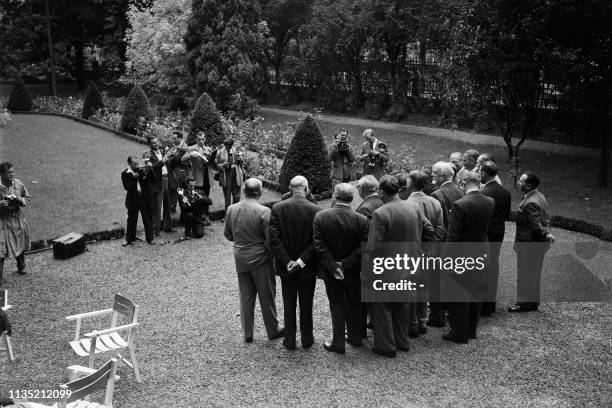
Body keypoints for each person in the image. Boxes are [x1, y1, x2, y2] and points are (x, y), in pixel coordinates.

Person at [367, 175, 434, 357]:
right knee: (402, 306)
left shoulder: (380, 213)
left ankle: (386, 346)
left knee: (382, 307)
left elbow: (374, 248)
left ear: (381, 192)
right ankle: (402, 342)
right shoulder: (414, 207)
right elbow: (429, 230)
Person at [224, 178, 284, 342]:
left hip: (240, 257)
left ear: (244, 190)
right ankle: (273, 329)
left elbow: (228, 235)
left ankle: (247, 333)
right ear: (260, 192)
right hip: (260, 259)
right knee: (267, 295)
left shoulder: (231, 208)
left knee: (246, 296)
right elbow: (269, 240)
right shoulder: (264, 211)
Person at [313, 183, 369, 354]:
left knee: (336, 305)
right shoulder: (362, 220)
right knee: (355, 303)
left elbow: (319, 246)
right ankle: (355, 338)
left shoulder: (321, 217)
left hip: (331, 272)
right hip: (353, 271)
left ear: (335, 196)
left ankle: (338, 343)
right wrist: (344, 264)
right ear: (352, 198)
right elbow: (363, 248)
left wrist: (334, 266)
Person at [269, 176, 321, 350]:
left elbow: (274, 240)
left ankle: (289, 340)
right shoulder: (315, 210)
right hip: (307, 266)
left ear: (290, 189)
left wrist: (288, 261)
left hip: (286, 268)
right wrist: (301, 261)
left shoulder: (277, 208)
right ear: (306, 189)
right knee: (306, 303)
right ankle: (307, 339)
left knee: (288, 303)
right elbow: (317, 242)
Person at [443, 171, 494, 344]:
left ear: (463, 183)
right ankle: (471, 330)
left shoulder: (460, 205)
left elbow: (453, 235)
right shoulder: (489, 201)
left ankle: (459, 333)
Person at [405, 170, 444, 338]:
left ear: (411, 183)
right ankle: (422, 320)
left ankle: (412, 322)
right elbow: (439, 230)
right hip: (430, 252)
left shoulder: (406, 203)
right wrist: (431, 251)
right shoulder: (435, 202)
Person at [509, 172, 554, 313]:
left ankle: (522, 304)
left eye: (521, 181)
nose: (518, 183)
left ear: (528, 186)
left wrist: (546, 234)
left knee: (525, 274)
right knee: (533, 273)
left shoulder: (531, 202)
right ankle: (533, 302)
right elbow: (545, 219)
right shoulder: (539, 196)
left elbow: (535, 225)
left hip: (529, 245)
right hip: (536, 245)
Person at [429, 161, 463, 327]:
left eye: (434, 173)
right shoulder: (460, 190)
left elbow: (438, 223)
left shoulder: (437, 195)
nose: (432, 175)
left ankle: (437, 317)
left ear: (443, 176)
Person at [479, 161, 511, 316]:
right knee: (493, 267)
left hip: (485, 235)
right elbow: (506, 215)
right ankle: (489, 304)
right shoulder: (505, 192)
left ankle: (481, 304)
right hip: (498, 233)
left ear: (484, 173)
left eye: (480, 173)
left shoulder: (483, 193)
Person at [355, 175, 383, 337]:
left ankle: (362, 328)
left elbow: (364, 236)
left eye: (358, 187)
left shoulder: (366, 208)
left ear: (364, 189)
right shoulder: (381, 200)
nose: (357, 190)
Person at [0, 162, 30, 281]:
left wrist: (20, 200)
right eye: (9, 173)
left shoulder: (19, 184)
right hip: (1, 220)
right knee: (0, 249)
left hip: (15, 219)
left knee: (19, 243)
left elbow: (27, 199)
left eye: (13, 172)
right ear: (2, 174)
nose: (12, 174)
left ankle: (21, 267)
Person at [121, 156, 155, 246]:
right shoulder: (125, 173)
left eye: (137, 163)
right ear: (129, 163)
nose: (136, 165)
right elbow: (127, 187)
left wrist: (150, 168)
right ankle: (129, 239)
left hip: (144, 198)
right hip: (133, 199)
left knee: (147, 219)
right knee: (131, 219)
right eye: (134, 164)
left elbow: (152, 178)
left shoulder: (142, 170)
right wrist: (134, 178)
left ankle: (150, 238)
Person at [182, 131, 214, 225]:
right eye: (199, 139)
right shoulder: (191, 148)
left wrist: (210, 157)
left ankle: (206, 217)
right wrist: (190, 155)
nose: (201, 141)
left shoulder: (208, 149)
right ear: (196, 139)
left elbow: (213, 163)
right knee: (197, 198)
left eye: (203, 139)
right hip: (197, 178)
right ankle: (198, 219)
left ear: (205, 139)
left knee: (206, 197)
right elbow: (183, 160)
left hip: (207, 176)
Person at [144, 136, 172, 235]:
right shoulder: (147, 155)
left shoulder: (163, 151)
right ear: (149, 144)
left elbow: (169, 164)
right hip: (158, 181)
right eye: (153, 143)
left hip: (167, 178)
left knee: (168, 204)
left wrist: (170, 157)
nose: (156, 144)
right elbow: (152, 169)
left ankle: (167, 227)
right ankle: (155, 231)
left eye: (156, 142)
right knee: (157, 206)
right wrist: (162, 161)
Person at [215, 138, 244, 212]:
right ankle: (227, 214)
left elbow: (242, 161)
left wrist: (240, 159)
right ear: (224, 145)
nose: (228, 148)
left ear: (232, 145)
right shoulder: (219, 152)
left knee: (236, 195)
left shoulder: (236, 151)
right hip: (226, 174)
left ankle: (235, 213)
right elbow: (215, 165)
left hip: (236, 173)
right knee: (227, 197)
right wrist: (223, 165)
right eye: (227, 146)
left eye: (230, 146)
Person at [167, 130, 190, 213]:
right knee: (173, 194)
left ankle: (184, 214)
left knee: (182, 194)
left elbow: (182, 161)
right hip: (174, 174)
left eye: (175, 138)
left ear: (180, 138)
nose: (173, 140)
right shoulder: (175, 146)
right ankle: (172, 212)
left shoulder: (185, 148)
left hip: (182, 174)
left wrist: (172, 156)